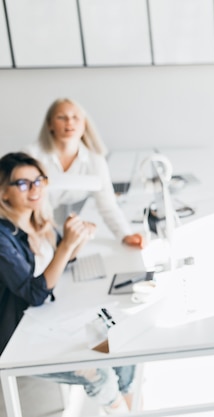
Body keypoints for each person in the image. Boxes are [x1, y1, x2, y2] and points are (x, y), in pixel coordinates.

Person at [0, 152, 135, 414]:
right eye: (23, 184)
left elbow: (57, 264)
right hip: (18, 338)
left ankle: (132, 408)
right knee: (100, 374)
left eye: (38, 180)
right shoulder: (2, 238)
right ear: (4, 193)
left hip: (48, 320)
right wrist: (66, 246)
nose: (35, 189)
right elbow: (34, 293)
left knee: (122, 341)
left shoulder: (36, 220)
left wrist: (77, 239)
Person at [25, 98, 144, 248]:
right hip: (33, 226)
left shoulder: (95, 160)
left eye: (75, 117)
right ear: (50, 124)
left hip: (68, 230)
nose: (69, 122)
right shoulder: (31, 157)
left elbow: (107, 205)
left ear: (84, 124)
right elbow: (26, 205)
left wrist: (125, 234)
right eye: (61, 117)